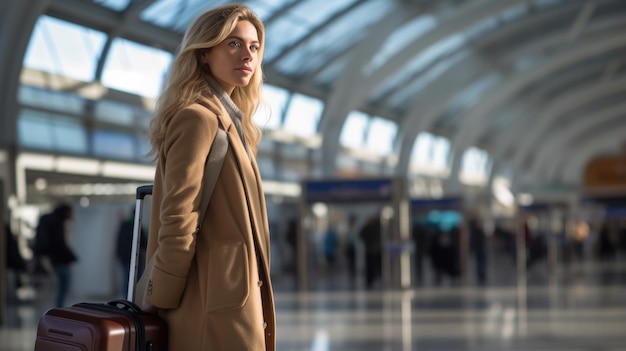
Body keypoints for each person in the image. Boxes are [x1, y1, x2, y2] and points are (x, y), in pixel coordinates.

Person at [138, 4, 275, 350]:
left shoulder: (233, 122)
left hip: (230, 296)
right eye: (233, 43)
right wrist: (157, 295)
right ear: (203, 54)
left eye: (254, 47)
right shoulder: (197, 119)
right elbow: (179, 217)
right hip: (210, 303)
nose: (247, 55)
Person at [34, 203, 76, 307]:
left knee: (58, 288)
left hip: (51, 259)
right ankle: (59, 309)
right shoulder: (58, 222)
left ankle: (58, 309)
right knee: (63, 287)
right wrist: (71, 256)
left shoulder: (49, 220)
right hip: (60, 260)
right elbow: (60, 243)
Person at [115, 207, 146, 297]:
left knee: (127, 280)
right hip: (135, 258)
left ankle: (127, 299)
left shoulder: (124, 225)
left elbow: (119, 242)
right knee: (137, 280)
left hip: (125, 258)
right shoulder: (138, 226)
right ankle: (134, 299)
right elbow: (143, 243)